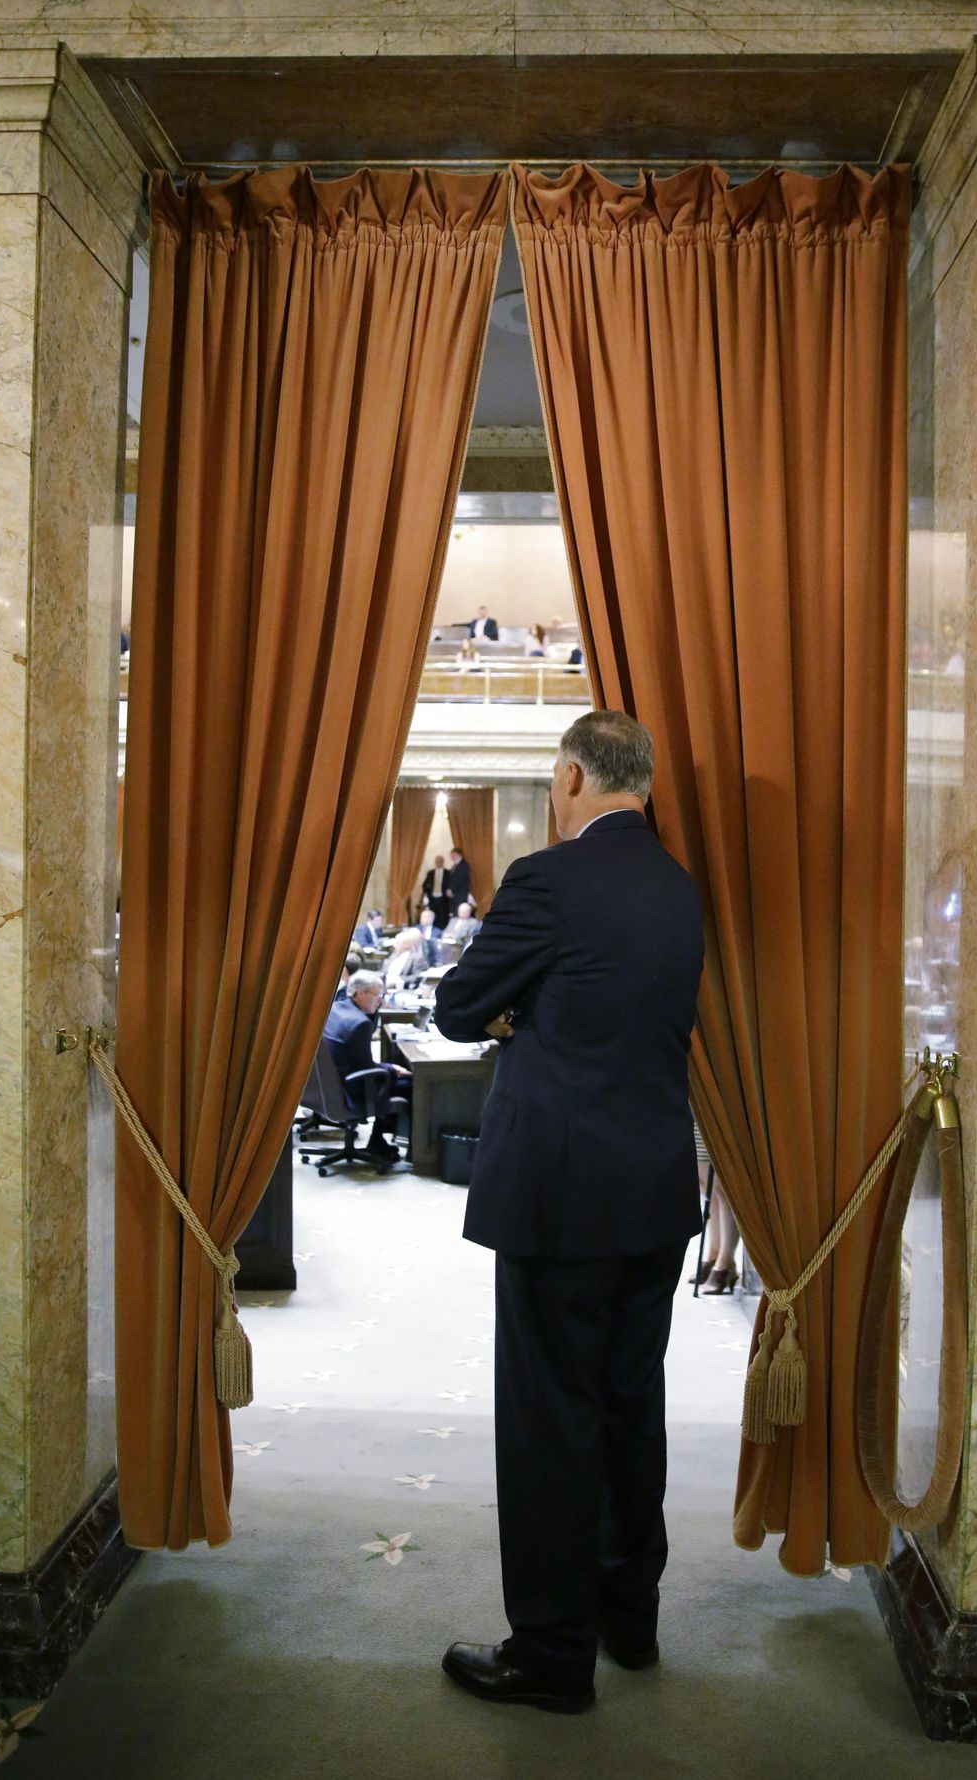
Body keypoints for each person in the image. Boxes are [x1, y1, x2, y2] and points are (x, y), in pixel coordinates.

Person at [434, 709, 703, 1713]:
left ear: (569, 779)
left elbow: (463, 1006)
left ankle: (551, 1653)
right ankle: (629, 1621)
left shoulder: (549, 878)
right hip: (652, 1190)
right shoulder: (681, 890)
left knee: (551, 1420)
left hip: (559, 1196)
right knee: (633, 1407)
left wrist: (522, 1005)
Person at [323, 970, 411, 1162]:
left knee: (392, 1078)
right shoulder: (359, 1024)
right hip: (353, 1089)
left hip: (332, 1086)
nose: (380, 1001)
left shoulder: (336, 1008)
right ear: (360, 994)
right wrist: (391, 1068)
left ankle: (378, 1139)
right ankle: (410, 1150)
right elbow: (367, 1068)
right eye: (377, 995)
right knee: (413, 1086)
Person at [686, 1125, 740, 1294]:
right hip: (694, 1105)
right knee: (705, 1183)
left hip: (718, 1105)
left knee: (723, 1188)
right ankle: (714, 1253)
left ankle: (725, 1263)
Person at [421, 854, 450, 929]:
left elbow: (451, 885)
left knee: (443, 918)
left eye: (440, 861)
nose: (438, 863)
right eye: (437, 861)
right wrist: (428, 894)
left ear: (443, 862)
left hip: (443, 899)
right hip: (432, 899)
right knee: (433, 918)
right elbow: (424, 885)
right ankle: (433, 933)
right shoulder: (430, 873)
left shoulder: (448, 873)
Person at [447, 846, 471, 911]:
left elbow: (461, 880)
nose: (451, 856)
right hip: (454, 894)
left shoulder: (464, 865)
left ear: (458, 854)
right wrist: (449, 889)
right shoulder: (454, 866)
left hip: (460, 894)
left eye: (452, 854)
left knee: (459, 912)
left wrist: (451, 889)